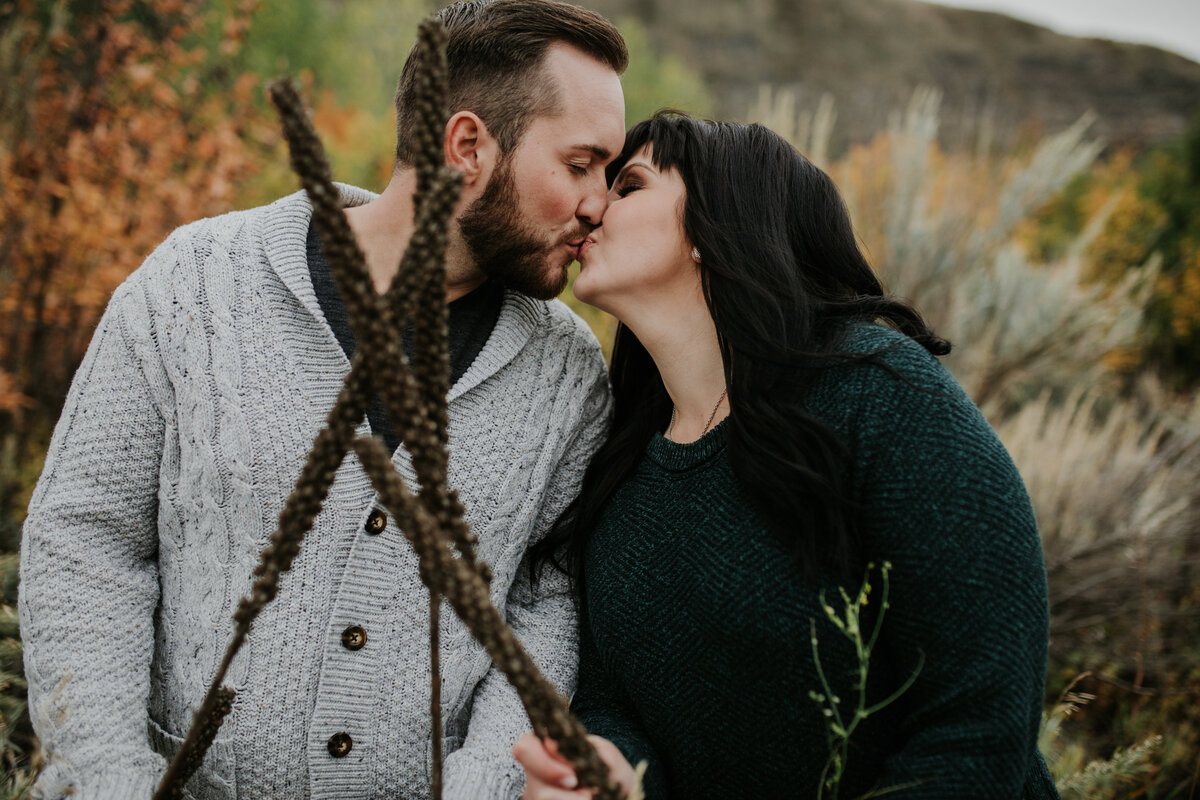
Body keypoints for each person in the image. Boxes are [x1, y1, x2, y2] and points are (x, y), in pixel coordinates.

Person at [19, 1, 627, 797]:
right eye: (581, 165)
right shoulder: (195, 283)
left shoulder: (567, 373)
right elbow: (86, 539)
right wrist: (107, 781)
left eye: (610, 175)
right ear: (468, 145)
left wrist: (484, 788)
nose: (599, 205)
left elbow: (545, 607)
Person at [513, 112, 1062, 799]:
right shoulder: (622, 464)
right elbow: (614, 700)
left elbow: (979, 715)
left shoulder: (877, 393)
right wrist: (610, 772)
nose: (593, 205)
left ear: (717, 224)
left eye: (630, 183)